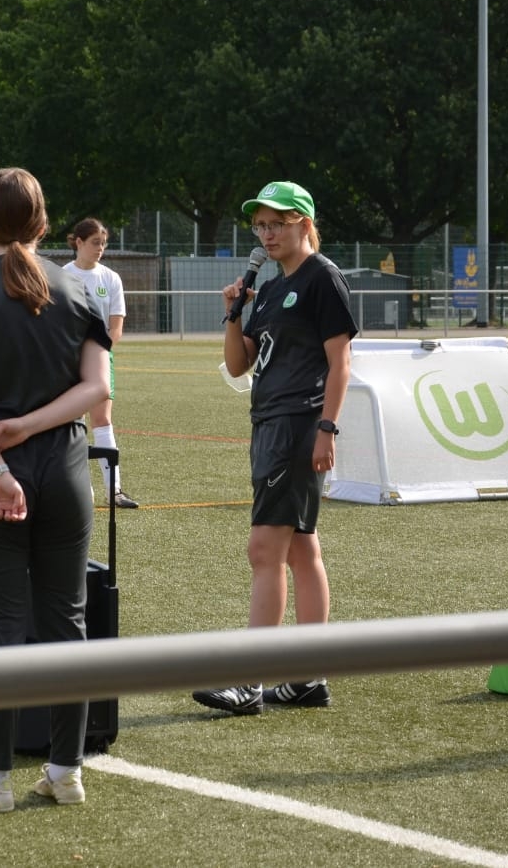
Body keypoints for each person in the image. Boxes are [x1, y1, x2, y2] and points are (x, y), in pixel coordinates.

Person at [0, 168, 110, 813]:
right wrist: (34, 427)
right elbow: (96, 390)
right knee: (68, 623)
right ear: (43, 221)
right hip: (64, 471)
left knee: (2, 629)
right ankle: (66, 771)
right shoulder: (79, 289)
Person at [193, 180, 357, 716]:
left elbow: (341, 362)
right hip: (268, 424)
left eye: (277, 224)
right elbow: (238, 365)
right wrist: (234, 312)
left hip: (297, 425)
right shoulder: (266, 288)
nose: (267, 234)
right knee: (300, 550)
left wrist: (327, 428)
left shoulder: (322, 277)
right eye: (261, 225)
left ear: (304, 224)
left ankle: (249, 679)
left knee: (264, 550)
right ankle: (308, 676)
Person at [63, 218, 139, 508]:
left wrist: (98, 354)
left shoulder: (110, 278)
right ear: (78, 242)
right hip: (67, 361)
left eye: (103, 243)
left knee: (102, 420)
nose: (100, 248)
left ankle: (114, 491)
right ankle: (78, 490)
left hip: (100, 360)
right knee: (72, 423)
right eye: (95, 242)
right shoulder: (62, 276)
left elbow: (115, 327)